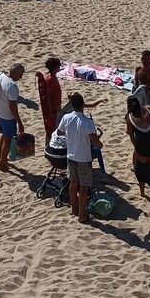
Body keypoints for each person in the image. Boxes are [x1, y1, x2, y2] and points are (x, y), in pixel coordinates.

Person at [56, 92, 100, 223]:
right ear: (83, 105)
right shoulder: (87, 122)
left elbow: (59, 132)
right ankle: (82, 215)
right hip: (84, 159)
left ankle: (73, 209)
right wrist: (100, 144)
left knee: (73, 183)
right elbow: (95, 141)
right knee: (84, 188)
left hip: (71, 156)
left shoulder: (67, 117)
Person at [126, 94, 150, 200]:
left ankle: (142, 192)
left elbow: (132, 136)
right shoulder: (149, 112)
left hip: (141, 146)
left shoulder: (130, 118)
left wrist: (136, 147)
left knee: (141, 169)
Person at [0, 63, 26, 173]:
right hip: (7, 117)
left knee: (4, 136)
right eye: (20, 74)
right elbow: (12, 107)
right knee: (8, 140)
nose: (21, 77)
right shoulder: (12, 87)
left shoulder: (2, 77)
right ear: (15, 73)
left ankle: (1, 158)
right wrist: (19, 123)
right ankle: (2, 165)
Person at [37, 57, 63, 140]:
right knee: (52, 129)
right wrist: (51, 111)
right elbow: (49, 97)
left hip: (56, 107)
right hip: (53, 109)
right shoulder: (51, 79)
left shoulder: (52, 77)